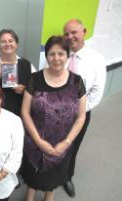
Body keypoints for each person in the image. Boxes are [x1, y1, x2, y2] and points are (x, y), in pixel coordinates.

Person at [20, 35, 86, 201]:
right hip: (36, 141)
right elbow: (25, 112)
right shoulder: (35, 79)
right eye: (52, 54)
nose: (56, 58)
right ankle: (30, 195)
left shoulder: (77, 82)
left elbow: (81, 117)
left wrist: (67, 142)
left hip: (63, 143)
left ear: (67, 55)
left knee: (54, 177)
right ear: (46, 56)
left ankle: (49, 197)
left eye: (61, 54)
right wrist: (38, 141)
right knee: (33, 175)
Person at [62, 19, 107, 197]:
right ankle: (51, 172)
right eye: (66, 33)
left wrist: (78, 111)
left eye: (74, 32)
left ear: (84, 32)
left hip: (80, 114)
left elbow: (97, 91)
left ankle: (66, 177)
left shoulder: (96, 59)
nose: (70, 37)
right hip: (55, 114)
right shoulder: (58, 54)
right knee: (54, 143)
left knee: (72, 146)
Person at [0, 28, 36, 116]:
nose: (7, 44)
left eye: (11, 41)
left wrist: (25, 90)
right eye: (3, 42)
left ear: (16, 44)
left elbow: (37, 88)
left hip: (21, 114)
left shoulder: (26, 64)